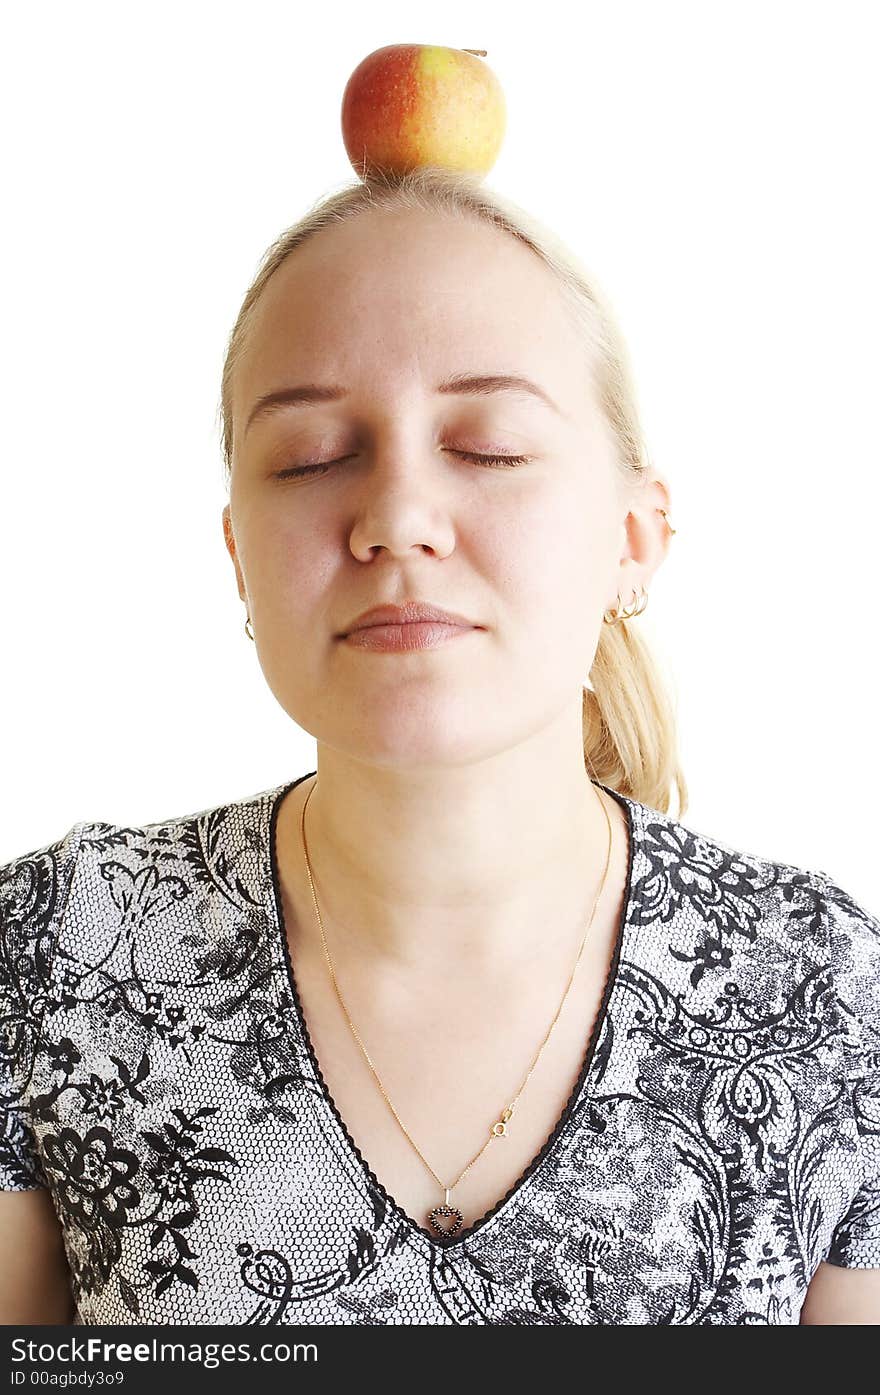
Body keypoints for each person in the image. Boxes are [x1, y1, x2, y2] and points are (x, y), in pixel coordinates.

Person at [1, 167, 878, 1326]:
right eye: (313, 455)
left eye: (489, 446)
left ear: (633, 537)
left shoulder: (820, 989)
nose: (397, 519)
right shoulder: (58, 951)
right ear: (237, 554)